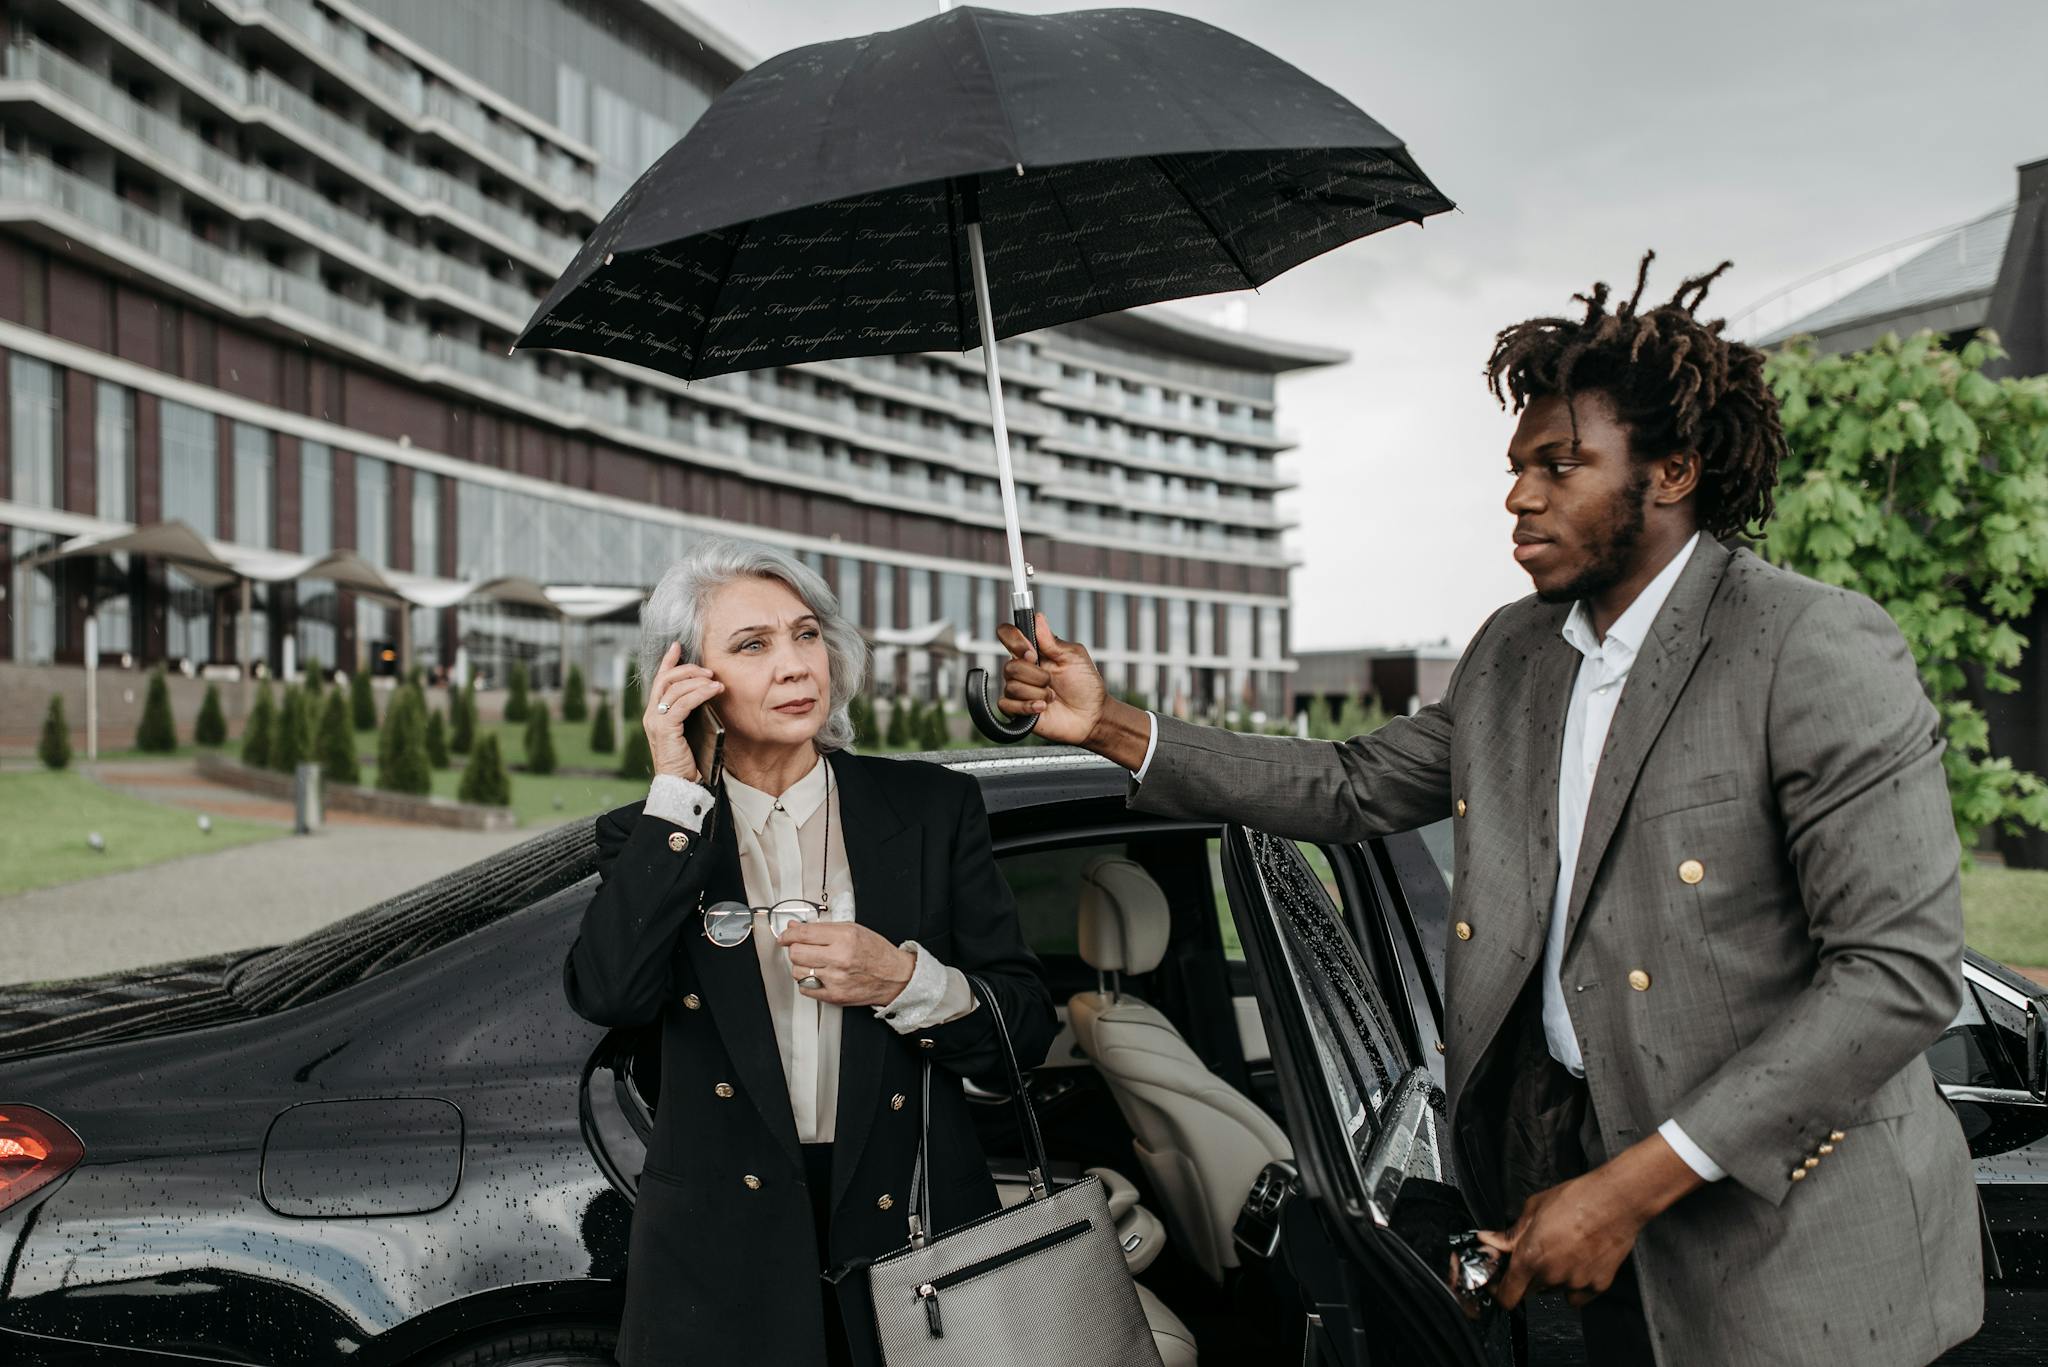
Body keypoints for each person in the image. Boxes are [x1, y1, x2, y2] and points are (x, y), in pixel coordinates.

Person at [995, 255, 1982, 1365]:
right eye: (1517, 466)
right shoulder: (1514, 653)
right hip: (1586, 1214)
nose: (1518, 495)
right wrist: (1111, 725)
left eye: (1561, 465)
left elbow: (1893, 972)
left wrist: (1625, 1186)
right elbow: (1350, 782)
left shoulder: (1806, 645)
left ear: (1671, 471)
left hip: (1795, 1251)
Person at [563, 535, 1057, 1367]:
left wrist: (905, 978)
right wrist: (678, 791)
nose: (795, 665)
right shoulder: (659, 832)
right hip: (721, 1254)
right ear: (690, 680)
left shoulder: (933, 808)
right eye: (752, 646)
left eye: (805, 634)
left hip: (916, 1233)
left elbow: (1025, 1033)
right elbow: (608, 992)